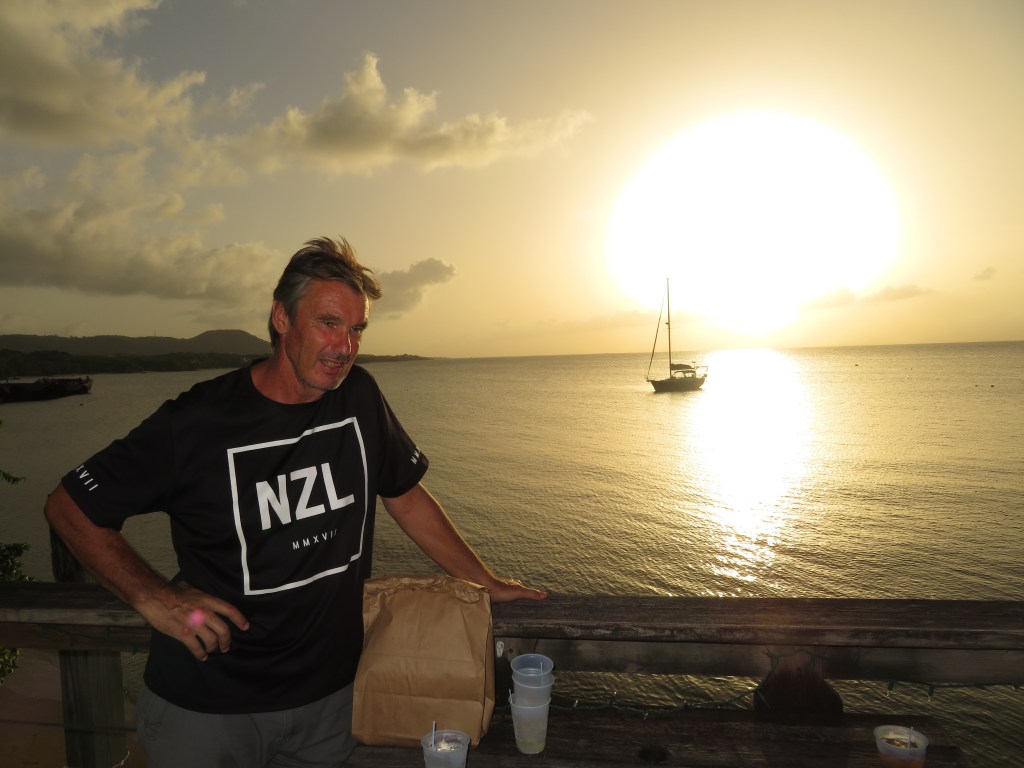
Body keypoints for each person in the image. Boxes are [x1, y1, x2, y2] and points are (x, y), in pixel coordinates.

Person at [44, 236, 546, 767]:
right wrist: (155, 598)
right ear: (282, 318)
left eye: (357, 329)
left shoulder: (359, 398)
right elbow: (68, 507)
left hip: (327, 704)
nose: (344, 346)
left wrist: (483, 580)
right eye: (329, 322)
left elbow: (404, 494)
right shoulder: (199, 421)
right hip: (208, 707)